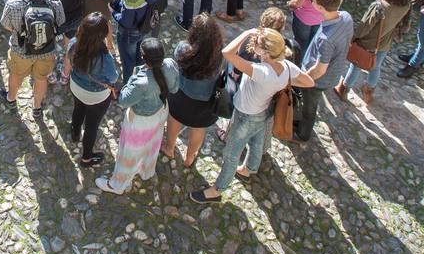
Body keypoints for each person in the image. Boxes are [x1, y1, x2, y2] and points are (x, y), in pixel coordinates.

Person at [193, 28, 314, 202]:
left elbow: (227, 53)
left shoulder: (261, 72)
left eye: (256, 42)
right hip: (263, 111)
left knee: (231, 153)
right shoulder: (287, 66)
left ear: (265, 52)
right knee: (256, 142)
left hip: (246, 115)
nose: (253, 41)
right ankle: (249, 169)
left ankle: (217, 190)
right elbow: (309, 82)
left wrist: (246, 32)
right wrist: (282, 82)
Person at [98, 37, 177, 195]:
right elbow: (174, 89)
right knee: (152, 144)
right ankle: (146, 171)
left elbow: (123, 101)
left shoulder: (140, 81)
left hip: (141, 121)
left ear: (143, 57)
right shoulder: (170, 64)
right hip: (161, 111)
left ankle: (117, 185)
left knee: (129, 152)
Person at [334, 0, 413, 105]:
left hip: (367, 43)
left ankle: (344, 89)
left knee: (356, 66)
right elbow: (404, 26)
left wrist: (352, 37)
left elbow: (364, 27)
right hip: (384, 43)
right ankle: (368, 91)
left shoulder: (379, 7)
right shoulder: (406, 6)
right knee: (376, 67)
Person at [0, 0, 66, 115]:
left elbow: (6, 25)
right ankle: (36, 108)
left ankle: (11, 99)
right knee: (41, 79)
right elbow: (60, 22)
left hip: (21, 50)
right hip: (46, 50)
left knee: (16, 75)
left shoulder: (13, 4)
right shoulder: (54, 2)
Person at [292, 0, 353, 143]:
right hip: (335, 71)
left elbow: (319, 70)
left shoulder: (326, 38)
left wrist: (301, 79)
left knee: (309, 108)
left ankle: (302, 135)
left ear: (319, 7)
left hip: (317, 81)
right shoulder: (346, 16)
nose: (309, 0)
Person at [162, 13, 224, 167]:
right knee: (198, 129)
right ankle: (190, 158)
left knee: (174, 119)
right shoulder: (220, 54)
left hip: (182, 94)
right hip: (206, 101)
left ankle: (169, 148)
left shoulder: (183, 48)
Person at [63, 12, 120, 167]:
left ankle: (75, 133)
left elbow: (69, 60)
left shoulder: (74, 42)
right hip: (96, 96)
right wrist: (111, 47)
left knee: (78, 108)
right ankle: (87, 158)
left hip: (76, 86)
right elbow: (113, 78)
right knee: (92, 126)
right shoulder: (104, 57)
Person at [112, 0, 161, 81]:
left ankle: (129, 84)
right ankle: (140, 78)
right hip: (145, 27)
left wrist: (113, 12)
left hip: (130, 33)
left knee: (128, 61)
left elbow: (125, 22)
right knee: (140, 56)